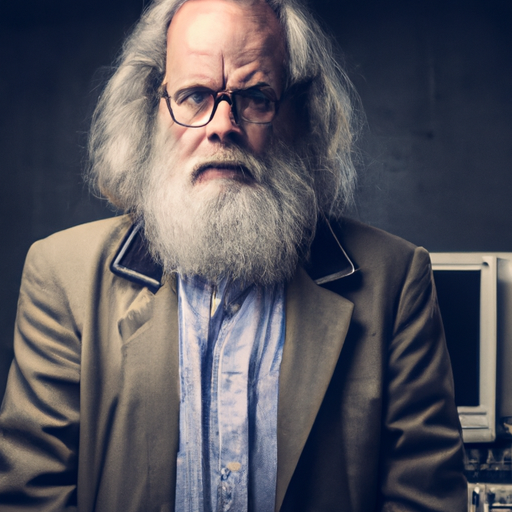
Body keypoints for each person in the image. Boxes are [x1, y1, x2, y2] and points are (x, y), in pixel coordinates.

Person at [0, 0, 467, 510]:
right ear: (151, 111)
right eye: (195, 95)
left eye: (255, 97)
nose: (222, 125)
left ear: (300, 116)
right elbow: (32, 497)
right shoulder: (61, 276)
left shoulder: (395, 281)